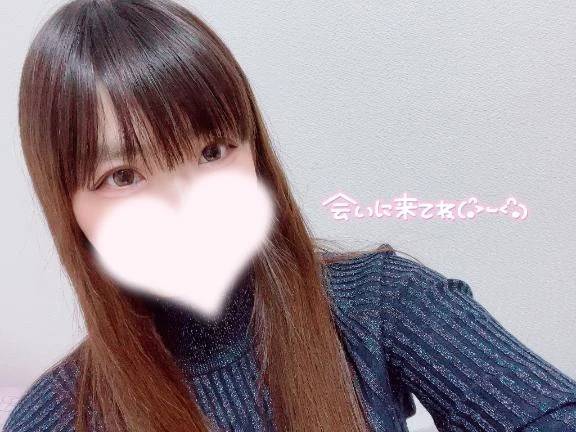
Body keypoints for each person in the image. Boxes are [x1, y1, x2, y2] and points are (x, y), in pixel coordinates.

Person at [4, 0, 576, 431]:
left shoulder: (379, 302)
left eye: (212, 151)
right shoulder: (57, 415)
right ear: (68, 207)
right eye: (124, 176)